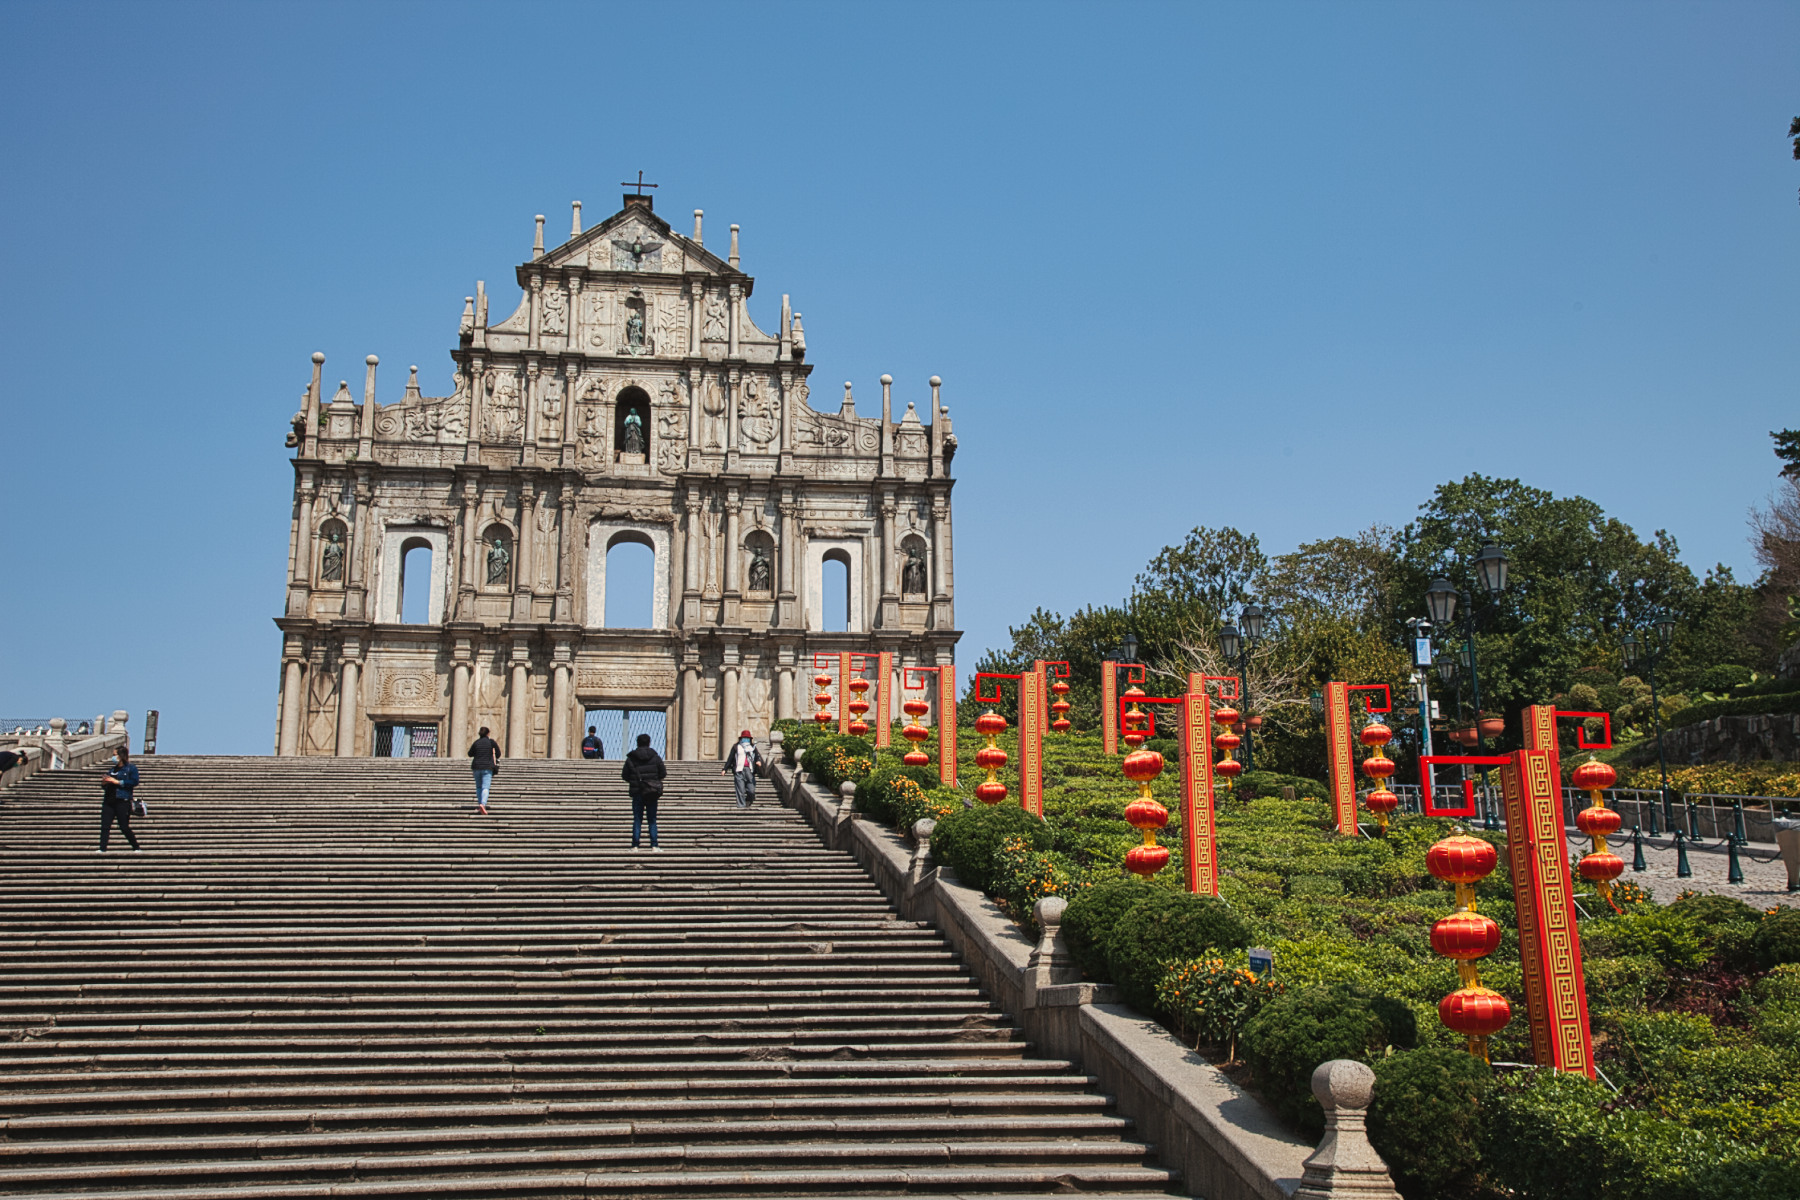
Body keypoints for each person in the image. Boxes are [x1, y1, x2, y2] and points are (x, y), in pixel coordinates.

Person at [622, 733, 665, 851]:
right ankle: (654, 845)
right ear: (649, 743)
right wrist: (653, 780)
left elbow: (625, 775)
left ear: (637, 743)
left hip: (637, 792)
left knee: (637, 819)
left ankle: (635, 845)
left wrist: (635, 782)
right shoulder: (655, 757)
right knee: (652, 819)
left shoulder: (631, 758)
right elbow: (663, 773)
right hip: (651, 792)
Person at [99, 745, 140, 852]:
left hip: (122, 800)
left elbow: (134, 781)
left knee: (124, 826)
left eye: (115, 755)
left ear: (121, 755)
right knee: (105, 826)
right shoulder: (112, 770)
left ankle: (136, 847)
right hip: (109, 800)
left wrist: (118, 782)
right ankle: (102, 848)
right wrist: (105, 782)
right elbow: (104, 785)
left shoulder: (130, 768)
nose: (113, 757)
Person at [721, 730, 763, 809]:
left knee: (751, 790)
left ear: (750, 739)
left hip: (749, 770)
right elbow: (730, 758)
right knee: (740, 790)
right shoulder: (736, 747)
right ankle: (741, 806)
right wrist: (725, 769)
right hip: (739, 770)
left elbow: (757, 756)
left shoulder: (752, 747)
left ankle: (749, 800)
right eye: (744, 738)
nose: (745, 739)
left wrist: (758, 761)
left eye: (747, 738)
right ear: (741, 738)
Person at [467, 726, 500, 814]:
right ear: (488, 734)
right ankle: (483, 804)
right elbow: (498, 754)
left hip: (476, 767)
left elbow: (470, 754)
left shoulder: (476, 742)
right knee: (485, 787)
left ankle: (480, 804)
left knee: (479, 787)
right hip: (487, 767)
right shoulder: (491, 742)